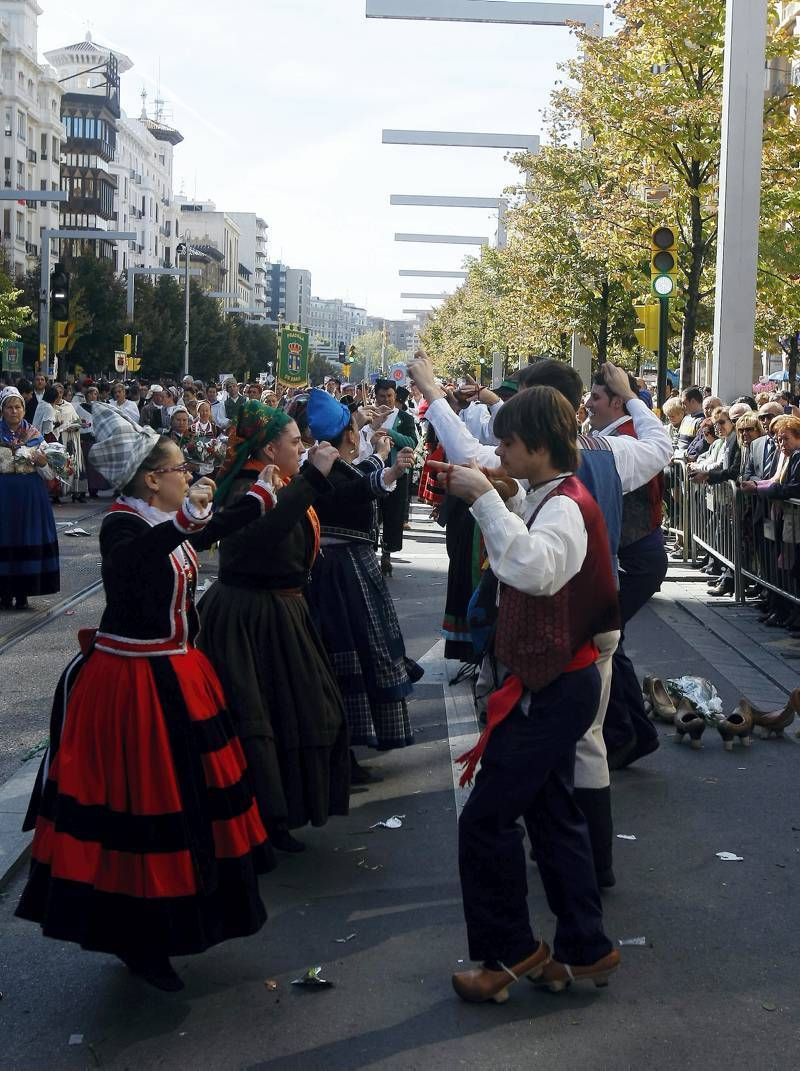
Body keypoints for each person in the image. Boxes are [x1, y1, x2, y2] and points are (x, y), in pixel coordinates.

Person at [15, 404, 280, 992]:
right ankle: (141, 939)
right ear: (152, 479)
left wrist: (260, 499)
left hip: (176, 677)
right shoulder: (121, 524)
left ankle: (176, 924)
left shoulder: (164, 520)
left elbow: (206, 529)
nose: (189, 474)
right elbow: (132, 563)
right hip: (131, 687)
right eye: (180, 468)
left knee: (188, 807)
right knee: (141, 813)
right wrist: (187, 522)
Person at [436, 386, 619, 1003]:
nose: (502, 454)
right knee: (550, 814)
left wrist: (488, 500)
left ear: (539, 446)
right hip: (549, 681)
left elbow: (535, 569)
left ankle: (509, 952)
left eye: (510, 444)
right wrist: (500, 491)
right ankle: (585, 946)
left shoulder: (567, 504)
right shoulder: (550, 492)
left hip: (554, 685)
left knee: (485, 820)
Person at [197, 401, 350, 853]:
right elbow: (264, 532)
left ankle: (277, 816)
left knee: (302, 712)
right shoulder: (246, 488)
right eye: (295, 443)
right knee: (261, 719)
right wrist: (313, 478)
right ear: (268, 447)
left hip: (281, 611)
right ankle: (261, 823)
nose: (302, 450)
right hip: (250, 618)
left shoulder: (280, 482)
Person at [304, 388, 419, 775]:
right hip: (342, 574)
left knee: (365, 655)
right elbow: (354, 489)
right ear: (350, 436)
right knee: (354, 658)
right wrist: (389, 469)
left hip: (350, 568)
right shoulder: (328, 472)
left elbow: (360, 475)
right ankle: (343, 753)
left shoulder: (336, 464)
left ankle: (347, 751)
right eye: (356, 427)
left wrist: (384, 461)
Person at [587, 369, 666, 769]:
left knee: (606, 641)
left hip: (637, 557)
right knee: (609, 642)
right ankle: (632, 732)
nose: (588, 405)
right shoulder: (617, 436)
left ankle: (629, 734)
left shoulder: (626, 440)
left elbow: (659, 446)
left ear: (617, 401)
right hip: (632, 555)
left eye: (597, 398)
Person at [0, 387, 60, 610]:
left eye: (18, 407)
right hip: (3, 498)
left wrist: (43, 461)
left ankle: (23, 593)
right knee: (5, 538)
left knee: (25, 538)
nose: (13, 411)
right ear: (2, 410)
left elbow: (50, 474)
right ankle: (4, 593)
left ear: (24, 410)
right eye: (9, 407)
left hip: (30, 499)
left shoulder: (35, 436)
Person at [363, 379, 418, 575]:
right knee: (370, 513)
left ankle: (387, 553)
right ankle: (369, 549)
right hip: (371, 471)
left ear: (396, 397)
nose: (386, 400)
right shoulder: (367, 416)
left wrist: (390, 432)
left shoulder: (405, 418)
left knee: (393, 515)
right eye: (381, 396)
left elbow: (412, 441)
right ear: (375, 397)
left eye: (390, 396)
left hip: (396, 473)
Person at [53, 387, 87, 503]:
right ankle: (57, 493)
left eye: (61, 392)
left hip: (72, 439)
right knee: (59, 466)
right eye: (56, 392)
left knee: (75, 464)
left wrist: (78, 425)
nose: (59, 394)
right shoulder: (50, 407)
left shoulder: (69, 406)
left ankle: (76, 492)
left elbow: (76, 420)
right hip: (59, 439)